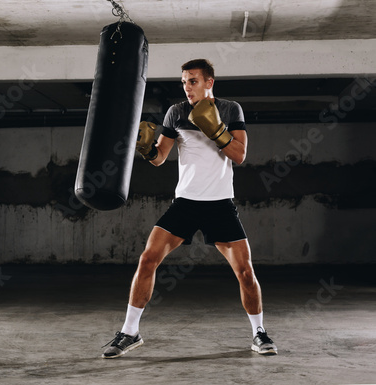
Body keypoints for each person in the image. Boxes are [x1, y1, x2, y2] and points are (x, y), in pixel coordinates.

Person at [102, 59, 277, 359]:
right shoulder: (176, 112)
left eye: (193, 81)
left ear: (209, 82)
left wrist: (216, 130)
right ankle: (130, 332)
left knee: (245, 272)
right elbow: (159, 158)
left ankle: (259, 333)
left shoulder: (231, 109)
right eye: (184, 81)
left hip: (220, 203)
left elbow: (239, 155)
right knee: (147, 259)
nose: (187, 87)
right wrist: (146, 149)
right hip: (185, 202)